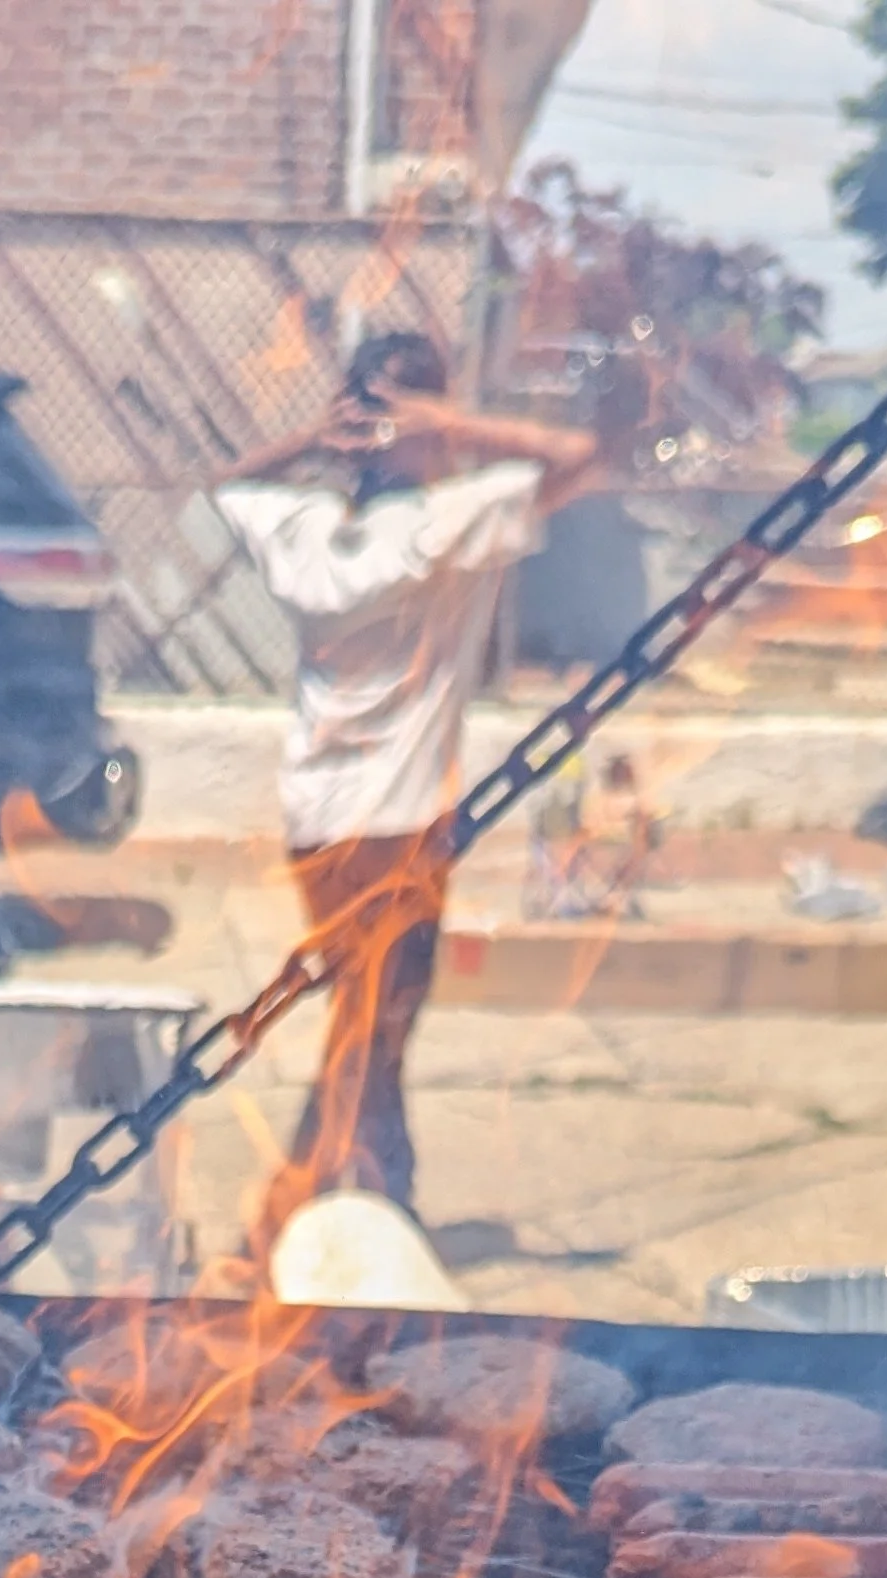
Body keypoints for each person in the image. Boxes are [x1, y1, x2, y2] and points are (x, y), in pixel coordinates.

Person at [214, 330, 603, 1249]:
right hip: (399, 822)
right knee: (372, 1023)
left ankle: (381, 1195)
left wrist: (313, 438)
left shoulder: (304, 531)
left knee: (373, 1015)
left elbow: (228, 486)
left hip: (314, 815)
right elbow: (579, 457)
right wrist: (449, 423)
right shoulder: (453, 522)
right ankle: (291, 1215)